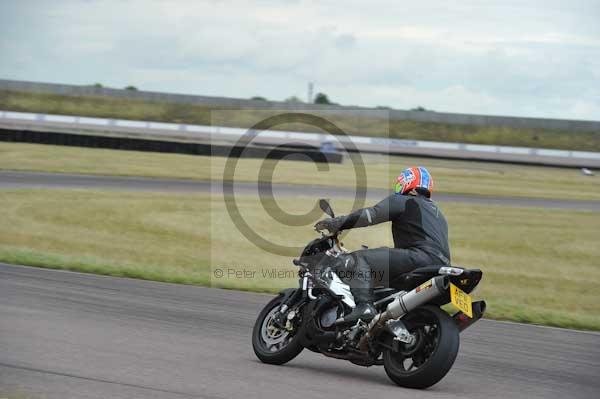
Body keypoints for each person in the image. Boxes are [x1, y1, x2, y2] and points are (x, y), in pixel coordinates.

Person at [314, 166, 451, 324]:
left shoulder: (405, 200)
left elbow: (369, 215)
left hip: (420, 258)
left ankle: (364, 305)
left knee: (358, 260)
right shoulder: (438, 213)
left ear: (406, 183)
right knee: (381, 260)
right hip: (440, 266)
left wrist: (336, 223)